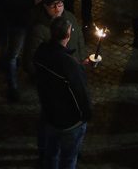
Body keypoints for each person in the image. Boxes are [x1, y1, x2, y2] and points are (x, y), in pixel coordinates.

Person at [33, 16, 92, 169]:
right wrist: (86, 115)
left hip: (49, 114)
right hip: (69, 122)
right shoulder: (69, 65)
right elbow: (80, 93)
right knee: (68, 158)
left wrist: (78, 66)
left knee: (51, 153)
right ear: (68, 35)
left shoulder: (41, 52)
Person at [2, 0, 45, 100]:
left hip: (36, 17)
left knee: (32, 49)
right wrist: (31, 1)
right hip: (18, 20)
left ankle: (31, 72)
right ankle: (12, 86)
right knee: (13, 53)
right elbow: (8, 1)